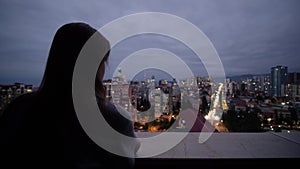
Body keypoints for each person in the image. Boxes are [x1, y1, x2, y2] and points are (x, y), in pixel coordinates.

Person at [0, 22, 140, 169]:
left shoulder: (19, 108)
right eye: (103, 61)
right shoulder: (112, 118)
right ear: (96, 66)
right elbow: (125, 163)